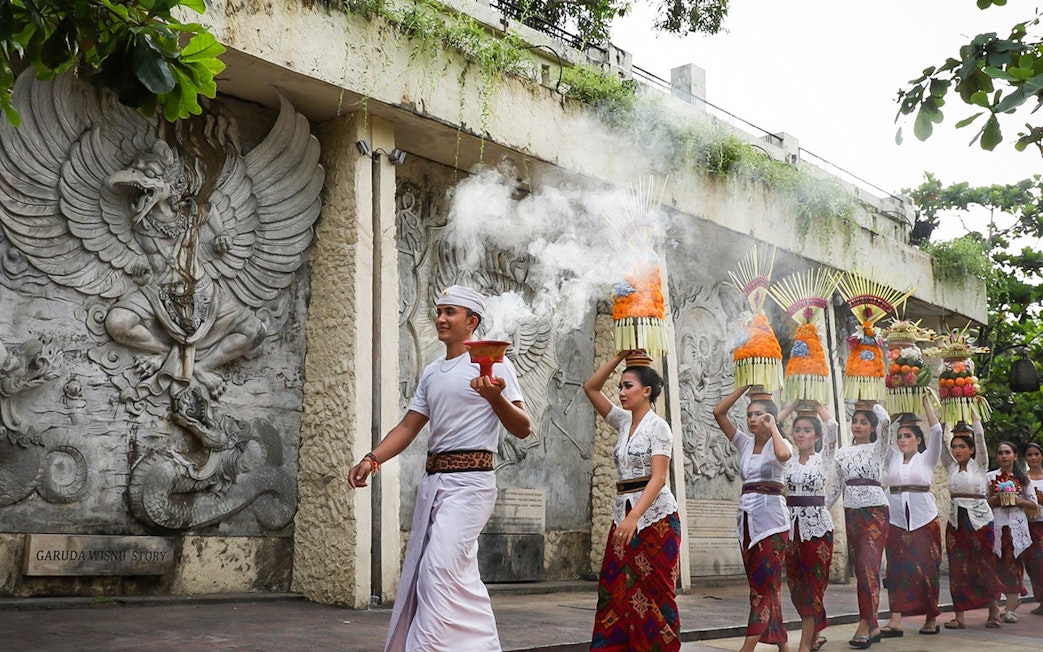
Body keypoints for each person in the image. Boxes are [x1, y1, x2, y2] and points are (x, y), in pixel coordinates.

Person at [347, 285, 532, 652]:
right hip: (434, 485)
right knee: (446, 574)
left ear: (472, 322)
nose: (441, 318)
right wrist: (372, 459)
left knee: (437, 571)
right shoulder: (433, 372)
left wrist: (495, 397)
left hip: (472, 485)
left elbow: (523, 426)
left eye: (451, 312)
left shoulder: (496, 365)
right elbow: (408, 427)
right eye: (439, 310)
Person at [583, 350, 681, 651]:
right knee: (613, 590)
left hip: (656, 519)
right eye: (621, 386)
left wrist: (635, 516)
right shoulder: (623, 422)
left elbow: (659, 478)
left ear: (647, 391)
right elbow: (590, 388)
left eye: (628, 386)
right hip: (623, 515)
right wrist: (620, 356)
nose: (622, 392)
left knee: (655, 593)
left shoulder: (658, 427)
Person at [714, 385, 792, 652]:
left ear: (769, 417)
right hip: (747, 521)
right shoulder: (744, 444)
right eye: (749, 414)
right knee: (764, 587)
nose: (752, 419)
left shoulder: (779, 443)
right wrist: (744, 387)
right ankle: (784, 647)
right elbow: (719, 413)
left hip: (773, 524)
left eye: (759, 414)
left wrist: (773, 427)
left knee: (763, 587)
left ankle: (746, 648)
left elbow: (783, 456)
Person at [878, 396, 943, 638]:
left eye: (908, 436)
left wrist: (924, 402)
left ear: (918, 439)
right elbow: (880, 434)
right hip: (895, 520)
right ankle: (895, 620)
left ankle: (931, 617)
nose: (903, 440)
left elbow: (936, 431)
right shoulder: (891, 457)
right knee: (895, 569)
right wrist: (896, 411)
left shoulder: (927, 458)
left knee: (928, 568)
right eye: (900, 436)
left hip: (924, 520)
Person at [827, 401, 889, 648]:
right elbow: (834, 489)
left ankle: (865, 622)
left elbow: (886, 422)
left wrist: (873, 404)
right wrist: (817, 510)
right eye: (855, 421)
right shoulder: (842, 453)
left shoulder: (878, 448)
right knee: (862, 568)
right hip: (851, 512)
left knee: (868, 565)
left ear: (872, 428)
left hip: (876, 511)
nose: (858, 426)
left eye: (864, 422)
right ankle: (872, 624)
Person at [779, 400, 836, 652]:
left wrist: (815, 404)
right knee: (796, 584)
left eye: (807, 430)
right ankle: (813, 635)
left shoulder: (823, 458)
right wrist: (793, 404)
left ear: (817, 436)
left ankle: (805, 643)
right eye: (797, 430)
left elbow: (832, 426)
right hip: (791, 528)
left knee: (814, 584)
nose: (801, 434)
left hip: (817, 528)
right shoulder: (786, 458)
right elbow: (774, 423)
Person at [941, 415, 1003, 629]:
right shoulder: (950, 466)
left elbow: (980, 436)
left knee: (985, 565)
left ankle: (994, 610)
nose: (957, 450)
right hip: (955, 521)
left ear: (971, 449)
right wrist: (940, 418)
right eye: (954, 446)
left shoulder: (980, 464)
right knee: (957, 568)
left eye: (962, 447)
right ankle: (959, 616)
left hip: (980, 521)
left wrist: (974, 413)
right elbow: (939, 441)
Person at [987, 440, 1039, 623]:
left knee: (1013, 568)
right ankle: (994, 609)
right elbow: (983, 502)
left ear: (1015, 456)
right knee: (993, 568)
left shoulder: (1023, 479)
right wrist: (994, 501)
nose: (1003, 456)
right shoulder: (990, 477)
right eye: (1000, 452)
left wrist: (1017, 501)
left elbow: (1033, 504)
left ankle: (1009, 610)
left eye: (1007, 452)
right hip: (996, 526)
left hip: (1015, 528)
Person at [1023, 441, 1043, 615]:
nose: (1033, 457)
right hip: (1029, 526)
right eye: (1029, 455)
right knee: (1034, 564)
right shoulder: (1022, 478)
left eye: (1036, 454)